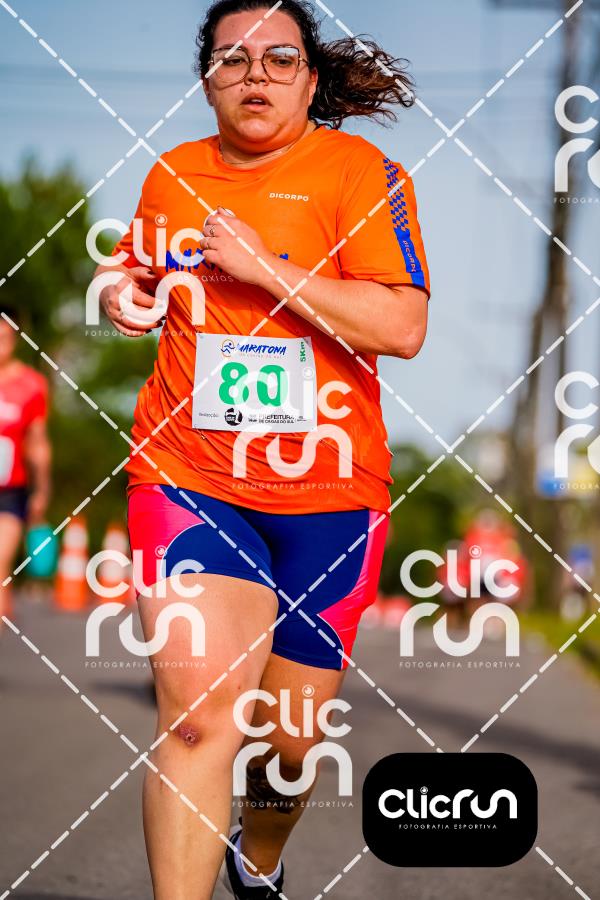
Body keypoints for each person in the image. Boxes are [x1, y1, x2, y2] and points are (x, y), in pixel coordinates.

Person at [95, 1, 430, 897]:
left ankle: (260, 859)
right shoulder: (174, 172)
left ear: (310, 81)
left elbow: (402, 325)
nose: (256, 75)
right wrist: (118, 293)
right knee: (198, 720)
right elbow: (132, 266)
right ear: (208, 80)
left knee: (287, 746)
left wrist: (266, 269)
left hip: (329, 495)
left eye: (280, 59)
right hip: (189, 475)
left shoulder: (362, 174)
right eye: (233, 59)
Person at [0, 306, 51, 633]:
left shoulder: (31, 385)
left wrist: (42, 489)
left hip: (10, 493)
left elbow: (38, 443)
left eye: (4, 338)